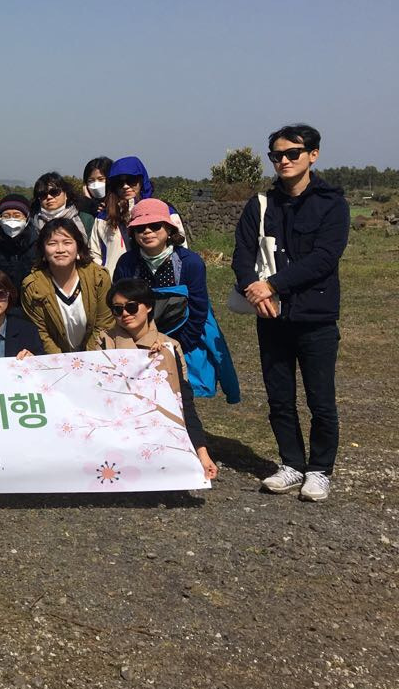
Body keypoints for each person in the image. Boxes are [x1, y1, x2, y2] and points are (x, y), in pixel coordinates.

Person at [234, 123, 349, 502]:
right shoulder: (260, 205)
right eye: (276, 155)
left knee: (321, 400)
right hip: (271, 318)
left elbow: (324, 258)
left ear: (313, 155)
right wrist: (254, 290)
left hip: (316, 317)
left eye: (292, 153)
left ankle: (320, 470)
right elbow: (242, 254)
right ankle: (291, 464)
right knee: (279, 398)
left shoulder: (332, 203)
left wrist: (272, 284)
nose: (283, 161)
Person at [114, 198, 241, 402]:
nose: (147, 231)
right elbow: (121, 307)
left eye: (155, 226)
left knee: (182, 398)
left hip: (183, 337)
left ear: (169, 229)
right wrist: (140, 345)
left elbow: (198, 309)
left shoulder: (190, 263)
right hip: (138, 343)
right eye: (140, 228)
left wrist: (175, 346)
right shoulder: (126, 263)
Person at [98, 278, 218, 482]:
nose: (125, 313)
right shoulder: (102, 342)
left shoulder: (170, 346)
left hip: (159, 438)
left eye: (131, 307)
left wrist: (202, 454)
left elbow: (184, 403)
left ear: (148, 306)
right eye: (117, 309)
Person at [20, 218, 114, 354]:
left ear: (78, 247)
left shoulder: (98, 277)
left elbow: (104, 323)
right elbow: (41, 333)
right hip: (53, 360)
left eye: (67, 242)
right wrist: (62, 361)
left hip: (95, 355)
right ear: (43, 251)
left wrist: (88, 358)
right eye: (52, 243)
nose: (60, 249)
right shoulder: (32, 287)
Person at [89, 155, 186, 277]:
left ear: (142, 181)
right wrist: (104, 278)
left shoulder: (165, 212)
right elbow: (94, 253)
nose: (125, 186)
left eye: (131, 180)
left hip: (157, 281)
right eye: (119, 183)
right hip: (114, 283)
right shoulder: (104, 217)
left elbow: (181, 248)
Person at [0, 194, 37, 293]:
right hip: (2, 299)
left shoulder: (38, 244)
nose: (11, 220)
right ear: (0, 218)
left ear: (27, 217)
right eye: (6, 216)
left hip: (32, 299)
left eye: (17, 215)